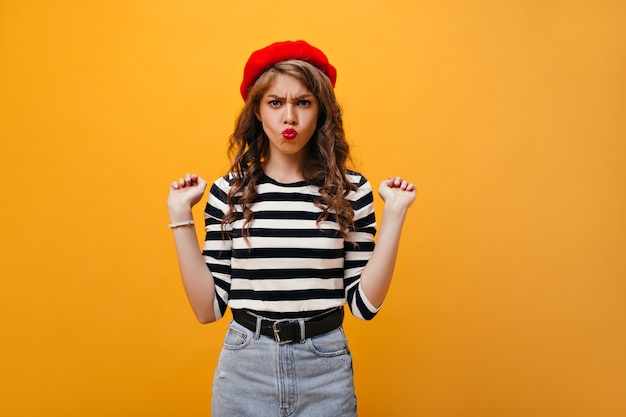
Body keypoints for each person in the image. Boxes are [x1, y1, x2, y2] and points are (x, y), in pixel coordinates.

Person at [167, 40, 416, 417]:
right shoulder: (228, 193)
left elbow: (364, 306)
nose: (289, 118)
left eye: (303, 102)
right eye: (275, 102)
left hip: (325, 368)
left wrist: (395, 213)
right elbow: (208, 308)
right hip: (245, 368)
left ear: (321, 112)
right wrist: (179, 215)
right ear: (258, 113)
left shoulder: (351, 191)